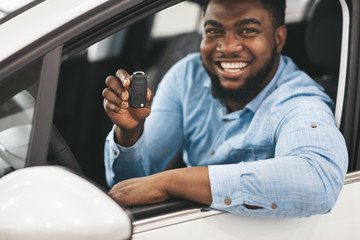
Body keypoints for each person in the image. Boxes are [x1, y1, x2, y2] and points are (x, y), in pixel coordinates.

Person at [102, 0, 348, 217]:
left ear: (278, 38)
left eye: (248, 31)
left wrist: (168, 183)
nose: (227, 46)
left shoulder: (299, 100)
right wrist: (130, 133)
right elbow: (129, 189)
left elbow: (318, 180)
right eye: (214, 31)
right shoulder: (188, 76)